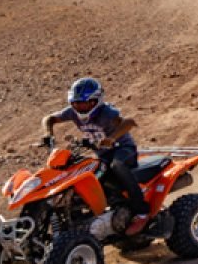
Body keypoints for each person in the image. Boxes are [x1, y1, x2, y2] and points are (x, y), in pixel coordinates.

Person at [41, 77, 150, 235]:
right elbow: (49, 118)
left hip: (123, 149)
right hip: (103, 155)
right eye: (76, 103)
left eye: (85, 103)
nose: (81, 107)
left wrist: (112, 138)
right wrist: (47, 133)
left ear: (96, 101)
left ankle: (142, 212)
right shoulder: (72, 113)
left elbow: (129, 122)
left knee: (116, 166)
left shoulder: (107, 112)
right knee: (86, 175)